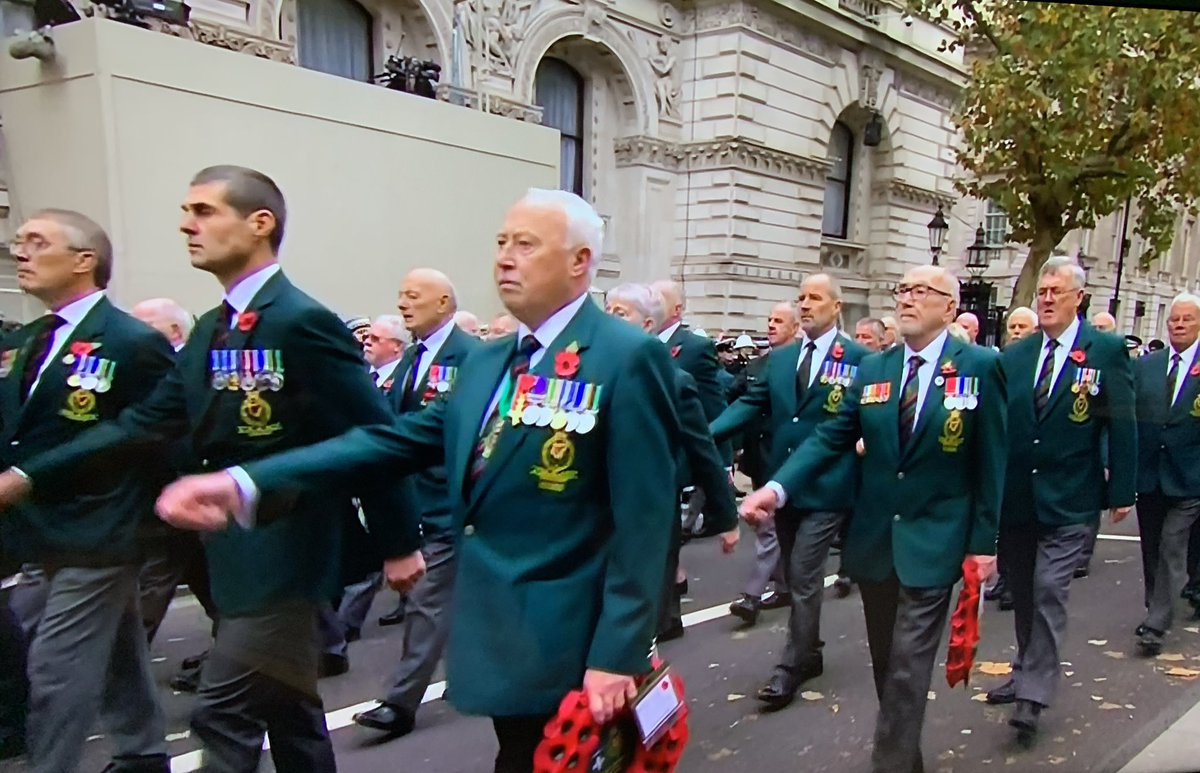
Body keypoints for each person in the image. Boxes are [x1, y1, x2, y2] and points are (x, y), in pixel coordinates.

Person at [156, 188, 681, 773]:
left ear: (580, 262)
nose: (504, 258)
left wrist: (619, 650)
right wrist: (245, 481)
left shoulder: (627, 357)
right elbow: (392, 440)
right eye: (501, 243)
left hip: (576, 632)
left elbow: (645, 520)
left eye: (525, 245)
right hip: (505, 628)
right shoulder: (490, 361)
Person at [0, 167, 426, 772]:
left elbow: (377, 436)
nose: (185, 224)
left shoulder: (299, 320)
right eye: (186, 210)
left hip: (287, 554)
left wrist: (398, 543)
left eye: (203, 211)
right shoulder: (211, 327)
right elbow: (144, 421)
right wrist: (31, 476)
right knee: (290, 713)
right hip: (230, 553)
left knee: (222, 712)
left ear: (259, 224)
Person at [740, 264, 1005, 773]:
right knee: (888, 665)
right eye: (902, 290)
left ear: (950, 308)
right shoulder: (875, 369)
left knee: (908, 669)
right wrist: (777, 488)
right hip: (876, 539)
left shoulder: (978, 365)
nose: (907, 299)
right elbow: (830, 437)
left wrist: (983, 541)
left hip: (936, 538)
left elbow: (991, 459)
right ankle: (906, 759)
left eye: (921, 291)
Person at [0, 209, 175, 773]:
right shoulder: (29, 339)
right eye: (18, 241)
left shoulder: (130, 341)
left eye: (36, 241)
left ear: (84, 261)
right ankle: (143, 751)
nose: (18, 250)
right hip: (41, 529)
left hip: (101, 531)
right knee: (120, 647)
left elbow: (156, 431)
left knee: (54, 669)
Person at [986, 257, 1136, 742]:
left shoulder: (1106, 351)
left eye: (1056, 291)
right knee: (1024, 591)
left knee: (1050, 587)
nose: (1046, 298)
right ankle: (1026, 664)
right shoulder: (1015, 356)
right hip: (1018, 499)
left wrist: (1122, 490)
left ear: (1079, 299)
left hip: (1072, 497)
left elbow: (1122, 423)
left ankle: (1034, 695)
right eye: (1042, 291)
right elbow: (997, 426)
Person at [711, 274, 869, 709]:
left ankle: (792, 664)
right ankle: (811, 649)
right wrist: (704, 437)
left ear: (837, 307)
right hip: (783, 485)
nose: (805, 305)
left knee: (802, 573)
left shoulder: (858, 358)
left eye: (815, 298)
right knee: (794, 572)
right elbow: (750, 405)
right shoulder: (779, 360)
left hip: (828, 487)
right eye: (801, 298)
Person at [352, 268, 483, 737]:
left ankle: (400, 702)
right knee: (441, 599)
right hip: (411, 498)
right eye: (400, 295)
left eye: (414, 296)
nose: (404, 303)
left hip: (448, 501)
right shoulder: (411, 358)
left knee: (426, 600)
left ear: (444, 303)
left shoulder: (472, 357)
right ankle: (471, 668)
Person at [604, 283, 739, 641]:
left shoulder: (673, 381)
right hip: (596, 514)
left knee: (643, 622)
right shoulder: (588, 374)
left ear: (648, 325)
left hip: (648, 512)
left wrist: (726, 516)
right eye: (608, 311)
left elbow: (702, 448)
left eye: (621, 313)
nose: (610, 319)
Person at [1132, 293, 1200, 654]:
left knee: (1173, 544)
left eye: (1187, 319)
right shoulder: (1148, 366)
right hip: (1150, 474)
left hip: (1191, 476)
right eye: (1174, 319)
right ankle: (1153, 606)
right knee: (1152, 547)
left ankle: (1156, 623)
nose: (1179, 325)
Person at [725, 302, 798, 620]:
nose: (770, 325)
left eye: (779, 321)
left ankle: (752, 596)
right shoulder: (757, 366)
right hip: (758, 458)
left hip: (788, 458)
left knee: (769, 529)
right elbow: (736, 401)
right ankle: (784, 586)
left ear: (795, 328)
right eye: (769, 319)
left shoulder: (802, 365)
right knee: (774, 528)